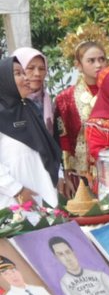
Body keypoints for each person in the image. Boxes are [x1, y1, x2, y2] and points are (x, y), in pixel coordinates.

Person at [1, 55, 61, 206]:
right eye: (18, 73)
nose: (26, 78)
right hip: (13, 200)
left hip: (44, 191)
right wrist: (17, 190)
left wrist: (58, 175)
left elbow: (47, 146)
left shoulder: (30, 108)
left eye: (24, 72)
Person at [54, 35, 109, 180]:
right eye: (91, 61)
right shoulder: (65, 98)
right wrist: (67, 170)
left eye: (102, 59)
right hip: (81, 171)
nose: (98, 65)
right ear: (78, 65)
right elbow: (63, 137)